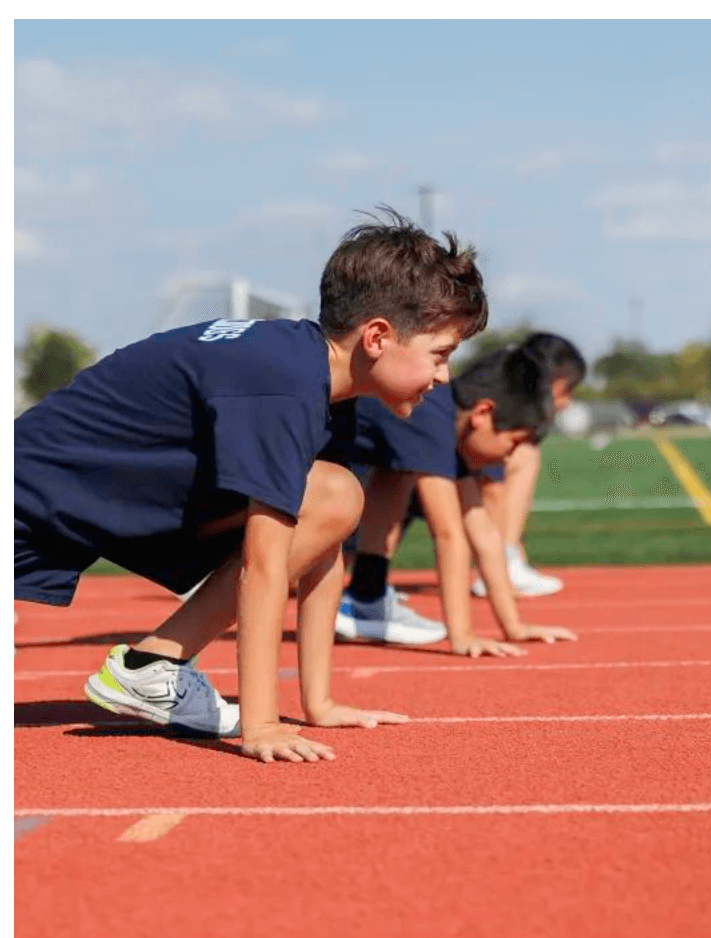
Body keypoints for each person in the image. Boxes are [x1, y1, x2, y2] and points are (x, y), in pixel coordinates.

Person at [14, 209, 488, 763]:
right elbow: (266, 566)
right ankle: (151, 666)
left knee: (336, 496)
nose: (443, 376)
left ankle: (152, 665)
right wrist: (260, 726)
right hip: (30, 501)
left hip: (82, 497)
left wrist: (320, 703)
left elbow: (325, 539)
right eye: (441, 353)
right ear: (378, 337)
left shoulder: (322, 379)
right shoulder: (283, 386)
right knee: (327, 499)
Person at [335, 347, 577, 654]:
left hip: (336, 456)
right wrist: (462, 636)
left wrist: (513, 626)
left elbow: (484, 533)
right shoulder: (430, 416)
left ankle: (365, 595)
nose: (510, 455)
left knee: (396, 474)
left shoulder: (448, 420)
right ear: (482, 414)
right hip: (292, 455)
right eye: (513, 441)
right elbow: (449, 535)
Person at [471, 333, 586, 598]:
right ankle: (501, 563)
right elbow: (489, 483)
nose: (567, 401)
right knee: (516, 459)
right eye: (566, 389)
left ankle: (508, 558)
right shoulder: (501, 395)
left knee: (523, 454)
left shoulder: (515, 392)